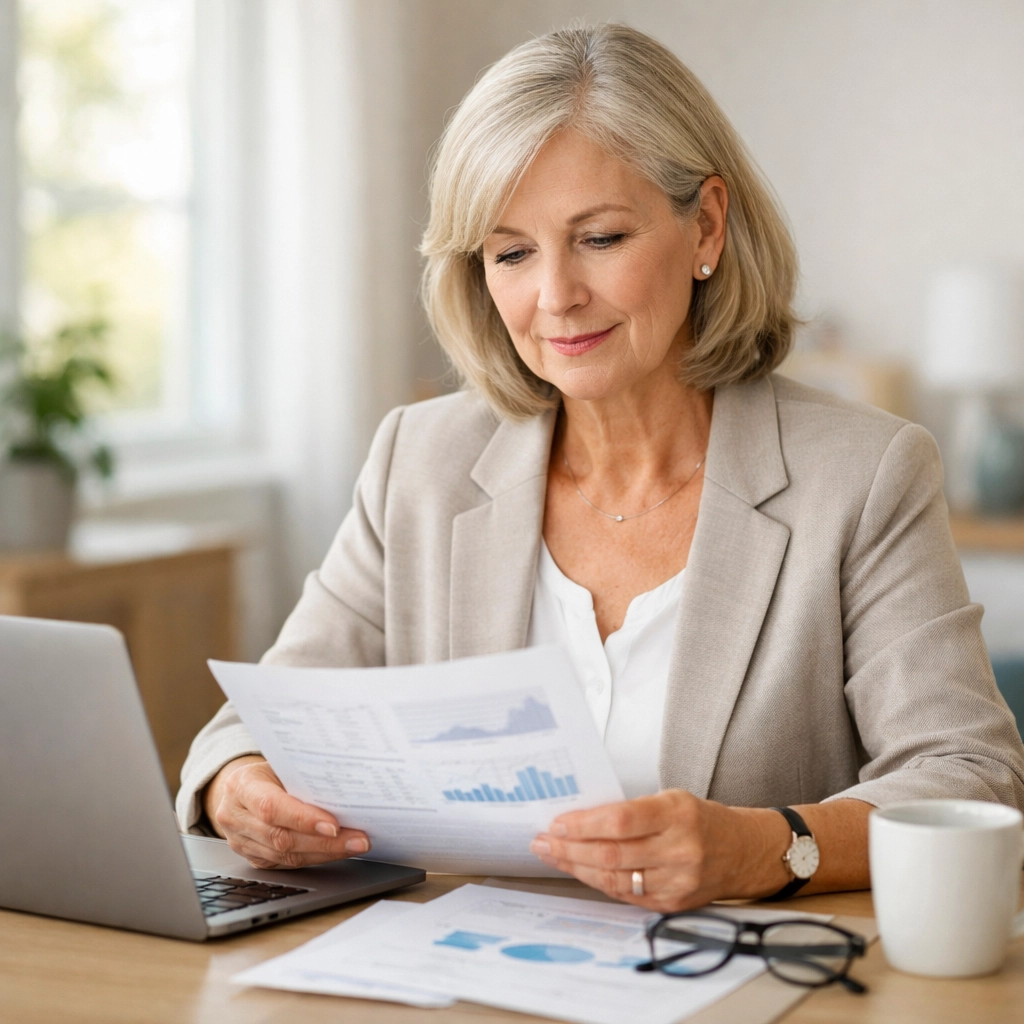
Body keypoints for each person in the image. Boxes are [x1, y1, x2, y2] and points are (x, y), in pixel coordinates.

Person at [177, 23, 1024, 913]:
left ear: (706, 224)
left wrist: (768, 846)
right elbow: (257, 722)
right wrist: (242, 784)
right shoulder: (419, 461)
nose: (555, 297)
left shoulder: (865, 473)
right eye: (511, 253)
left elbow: (970, 778)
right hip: (462, 982)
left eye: (601, 238)